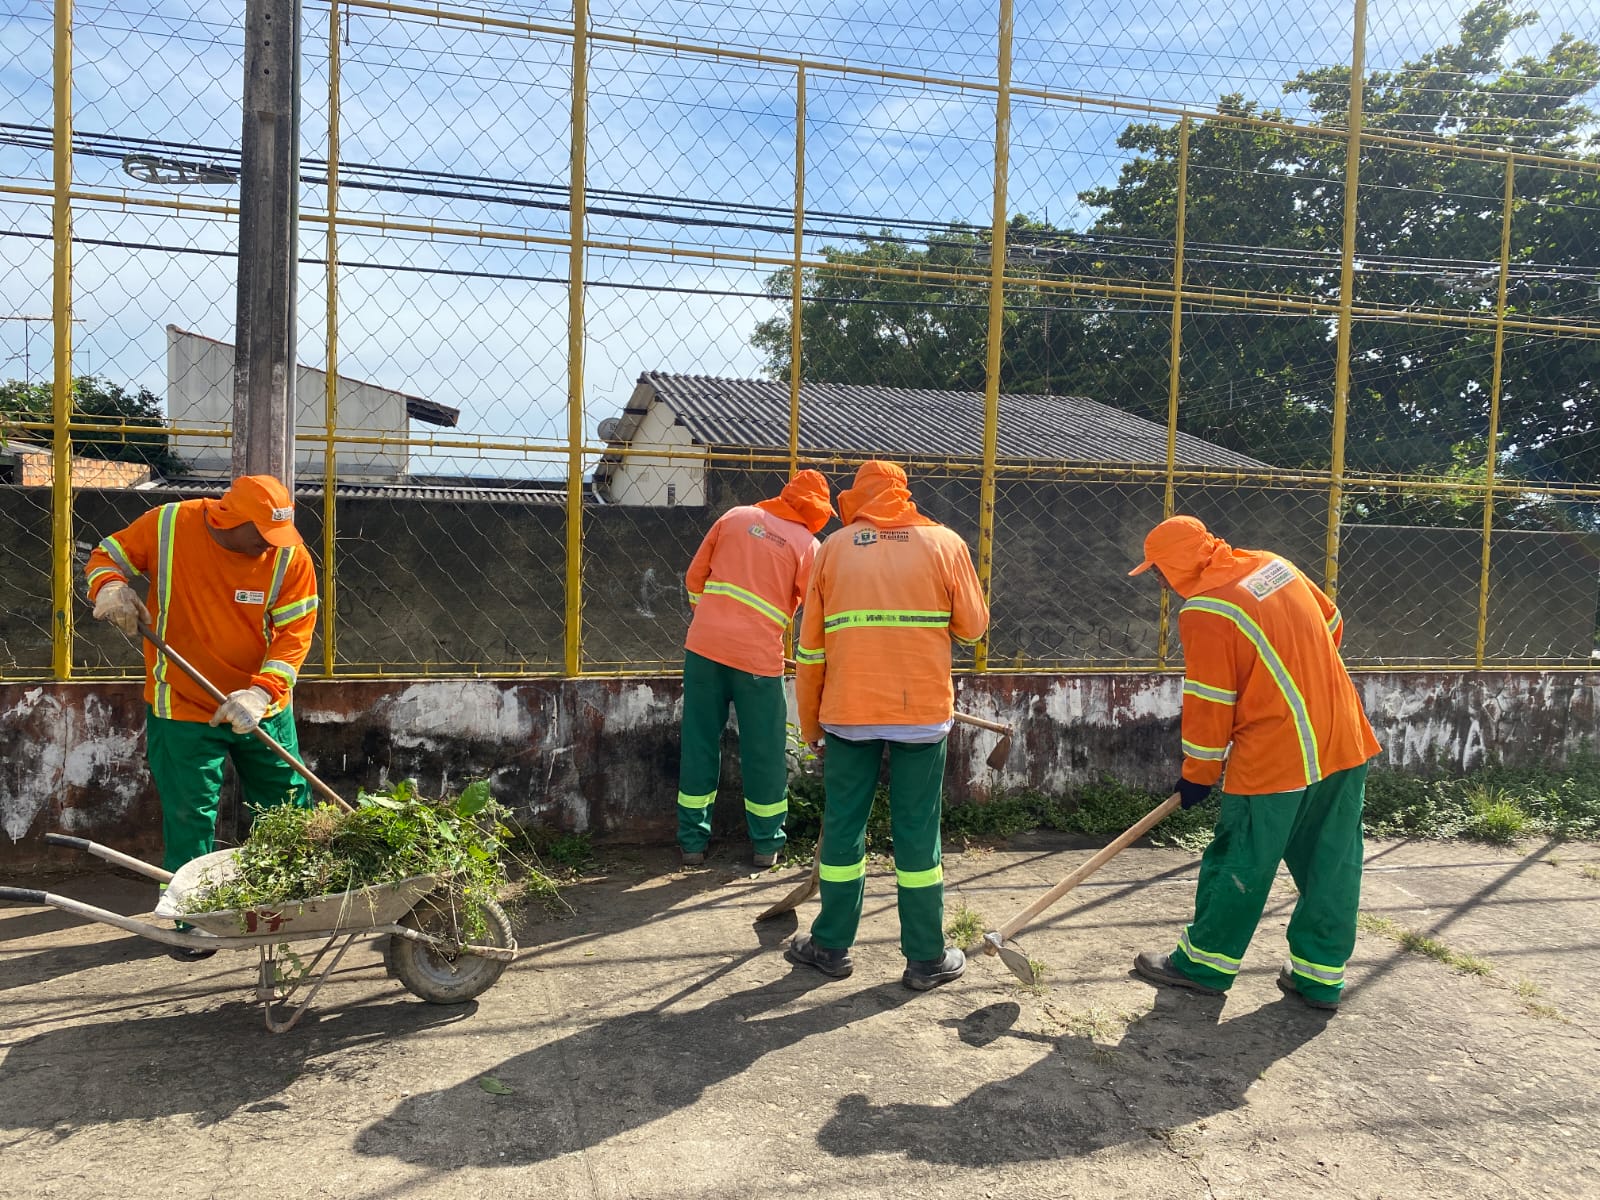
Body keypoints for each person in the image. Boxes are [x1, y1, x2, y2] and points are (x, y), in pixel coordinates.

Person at [1128, 515, 1380, 1011]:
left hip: (1276, 756)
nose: (1158, 582)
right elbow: (1332, 623)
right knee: (1331, 861)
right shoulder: (1273, 565)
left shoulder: (1205, 610)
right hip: (1343, 734)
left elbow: (1211, 700)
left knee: (1241, 857)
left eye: (1158, 571)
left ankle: (1204, 964)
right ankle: (1320, 977)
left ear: (1177, 564)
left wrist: (1198, 773)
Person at [85, 475, 320, 958]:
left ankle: (292, 901)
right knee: (190, 813)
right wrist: (109, 587)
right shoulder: (170, 524)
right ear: (230, 519)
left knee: (285, 804)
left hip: (259, 705)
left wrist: (262, 692)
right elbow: (107, 555)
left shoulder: (288, 555)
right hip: (182, 701)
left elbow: (296, 630)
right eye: (261, 535)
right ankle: (190, 918)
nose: (269, 545)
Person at [786, 460, 989, 991]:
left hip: (847, 715)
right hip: (921, 716)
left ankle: (830, 946)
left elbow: (809, 651)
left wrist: (810, 724)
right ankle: (925, 958)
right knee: (918, 834)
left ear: (858, 498)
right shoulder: (946, 543)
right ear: (905, 495)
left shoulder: (831, 548)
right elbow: (973, 627)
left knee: (844, 829)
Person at [678, 470, 835, 868]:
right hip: (757, 662)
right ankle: (766, 846)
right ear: (817, 511)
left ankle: (692, 844)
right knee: (762, 751)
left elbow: (695, 579)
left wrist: (714, 620)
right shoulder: (807, 545)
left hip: (703, 649)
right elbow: (815, 609)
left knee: (699, 743)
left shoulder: (733, 517)